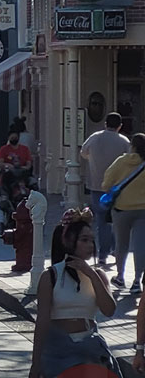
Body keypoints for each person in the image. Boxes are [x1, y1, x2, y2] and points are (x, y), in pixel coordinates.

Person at [29, 212, 118, 378]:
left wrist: (90, 273)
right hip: (57, 352)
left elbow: (109, 309)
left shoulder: (99, 275)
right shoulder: (51, 276)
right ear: (69, 241)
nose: (90, 245)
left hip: (89, 349)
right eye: (84, 240)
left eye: (92, 240)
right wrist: (36, 364)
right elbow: (42, 322)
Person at [80, 112, 129, 267]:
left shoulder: (95, 137)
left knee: (101, 221)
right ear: (120, 126)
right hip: (117, 187)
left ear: (105, 123)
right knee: (116, 220)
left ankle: (102, 254)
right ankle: (115, 248)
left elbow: (83, 152)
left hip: (97, 185)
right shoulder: (124, 141)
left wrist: (93, 159)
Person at [101, 132, 145, 295]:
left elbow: (106, 184)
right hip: (143, 210)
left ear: (132, 145)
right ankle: (137, 281)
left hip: (121, 209)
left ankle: (120, 276)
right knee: (141, 245)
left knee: (121, 244)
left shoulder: (121, 162)